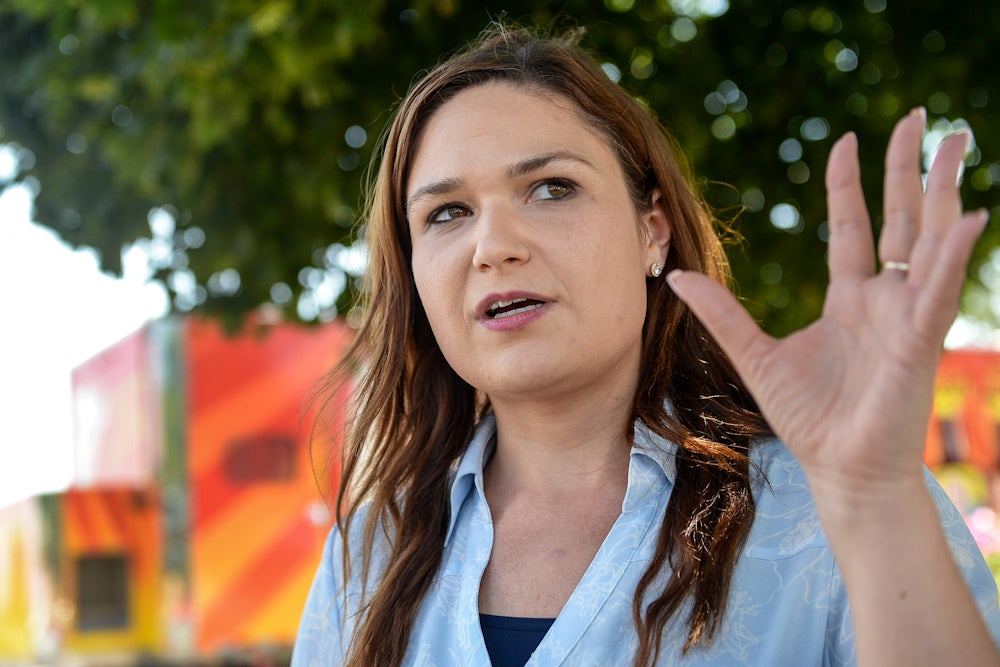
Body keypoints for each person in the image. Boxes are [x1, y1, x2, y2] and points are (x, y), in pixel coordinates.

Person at [291, 22, 1000, 667]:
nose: (494, 246)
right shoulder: (368, 553)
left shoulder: (829, 501)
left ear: (652, 230)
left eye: (551, 188)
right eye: (447, 212)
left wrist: (878, 501)